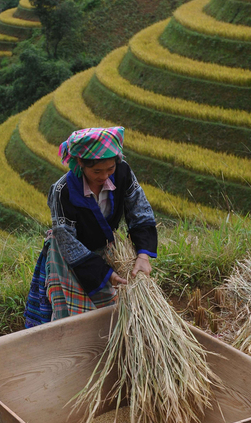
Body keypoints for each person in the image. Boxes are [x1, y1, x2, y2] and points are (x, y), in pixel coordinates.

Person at [24, 126, 158, 328]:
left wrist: (143, 256)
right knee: (72, 313)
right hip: (71, 254)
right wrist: (105, 274)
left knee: (114, 308)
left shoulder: (123, 173)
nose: (104, 176)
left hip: (106, 246)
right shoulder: (63, 191)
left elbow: (140, 211)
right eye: (96, 171)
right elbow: (67, 240)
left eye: (110, 169)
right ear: (80, 163)